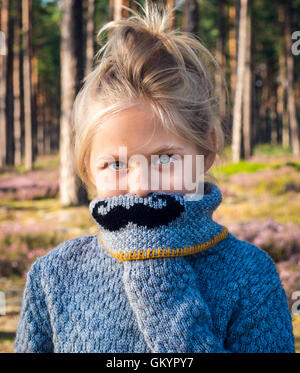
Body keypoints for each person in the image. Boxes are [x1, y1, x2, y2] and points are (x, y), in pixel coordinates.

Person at [14, 0, 295, 353]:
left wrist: (156, 276)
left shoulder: (251, 276)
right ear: (87, 167)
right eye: (115, 164)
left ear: (205, 151)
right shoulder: (52, 277)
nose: (142, 186)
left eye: (164, 158)